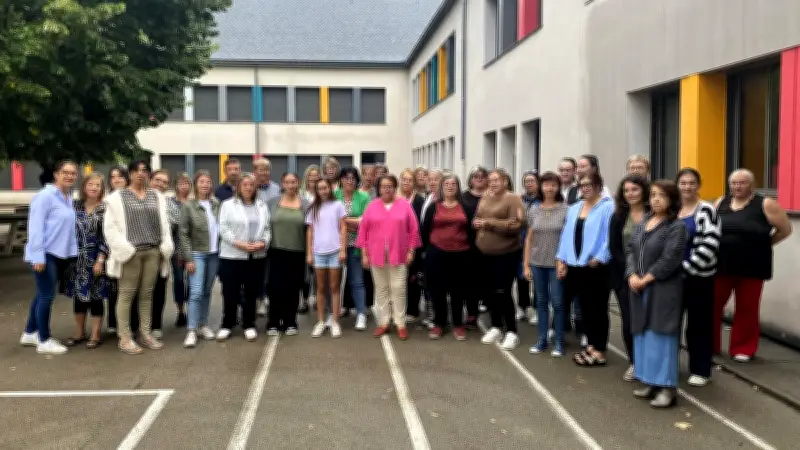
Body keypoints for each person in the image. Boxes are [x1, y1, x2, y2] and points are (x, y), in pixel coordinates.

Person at [713, 169, 792, 362]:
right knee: (712, 304)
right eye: (734, 183)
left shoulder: (765, 204)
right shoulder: (720, 202)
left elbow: (785, 229)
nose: (737, 186)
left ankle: (743, 348)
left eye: (742, 183)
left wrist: (765, 245)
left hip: (753, 265)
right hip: (721, 264)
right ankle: (710, 345)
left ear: (752, 184)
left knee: (747, 308)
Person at [103, 160, 174, 355]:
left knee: (146, 294)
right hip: (131, 253)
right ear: (130, 174)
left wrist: (164, 246)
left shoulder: (156, 196)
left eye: (144, 170)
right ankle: (125, 338)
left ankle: (145, 333)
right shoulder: (118, 197)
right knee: (126, 295)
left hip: (153, 252)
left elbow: (165, 224)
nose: (140, 174)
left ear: (148, 174)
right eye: (136, 170)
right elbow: (110, 228)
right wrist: (125, 249)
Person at [627, 180, 687, 409]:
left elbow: (670, 258)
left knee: (661, 336)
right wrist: (631, 274)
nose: (656, 199)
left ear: (672, 199)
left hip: (662, 289)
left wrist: (647, 278)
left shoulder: (676, 227)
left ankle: (667, 388)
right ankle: (651, 381)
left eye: (662, 195)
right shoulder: (644, 221)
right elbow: (631, 249)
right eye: (653, 195)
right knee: (643, 335)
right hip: (639, 287)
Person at [20, 161, 79, 355]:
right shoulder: (45, 196)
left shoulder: (67, 197)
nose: (69, 176)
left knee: (42, 294)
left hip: (59, 254)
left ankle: (30, 332)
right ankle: (44, 340)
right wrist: (38, 257)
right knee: (46, 296)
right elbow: (35, 227)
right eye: (65, 172)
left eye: (73, 173)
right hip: (45, 254)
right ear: (55, 174)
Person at [557, 171, 614, 366]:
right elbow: (566, 235)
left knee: (598, 309)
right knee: (585, 308)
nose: (586, 188)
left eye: (590, 184)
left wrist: (600, 257)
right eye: (582, 185)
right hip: (576, 266)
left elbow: (610, 237)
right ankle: (591, 345)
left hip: (596, 267)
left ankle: (599, 350)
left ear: (599, 186)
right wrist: (562, 259)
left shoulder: (608, 207)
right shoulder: (575, 208)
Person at [357, 174, 421, 340]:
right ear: (379, 188)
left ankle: (400, 323)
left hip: (399, 255)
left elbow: (413, 230)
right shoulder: (372, 206)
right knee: (381, 289)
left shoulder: (404, 205)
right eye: (383, 186)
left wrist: (411, 251)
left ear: (394, 187)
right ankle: (384, 322)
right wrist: (364, 254)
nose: (386, 189)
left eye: (389, 186)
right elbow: (363, 231)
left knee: (398, 289)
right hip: (376, 256)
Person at [677, 168, 721, 386]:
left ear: (699, 185)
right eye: (683, 183)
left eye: (691, 183)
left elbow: (710, 244)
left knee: (699, 325)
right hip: (672, 279)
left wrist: (686, 269)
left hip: (699, 279)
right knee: (671, 324)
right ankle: (669, 366)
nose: (687, 187)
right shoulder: (673, 209)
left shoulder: (706, 210)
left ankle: (701, 370)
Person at [420, 173, 474, 340]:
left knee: (458, 291)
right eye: (447, 184)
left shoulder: (465, 207)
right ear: (442, 187)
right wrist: (425, 251)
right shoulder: (433, 207)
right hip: (437, 254)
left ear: (458, 187)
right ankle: (439, 324)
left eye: (453, 184)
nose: (450, 187)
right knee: (438, 291)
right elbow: (425, 231)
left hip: (460, 254)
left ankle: (458, 324)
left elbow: (471, 232)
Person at [217, 173, 271, 341]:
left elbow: (267, 228)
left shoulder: (262, 205)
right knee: (230, 292)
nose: (248, 188)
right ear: (239, 187)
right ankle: (227, 324)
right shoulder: (227, 205)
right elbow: (223, 228)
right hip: (232, 256)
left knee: (251, 292)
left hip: (255, 256)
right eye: (245, 184)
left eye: (251, 185)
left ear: (255, 187)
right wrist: (238, 243)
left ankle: (249, 324)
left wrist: (263, 242)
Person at [477, 169, 526, 351]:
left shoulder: (513, 199)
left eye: (496, 180)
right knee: (490, 292)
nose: (493, 183)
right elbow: (480, 217)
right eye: (490, 180)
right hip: (485, 253)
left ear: (505, 181)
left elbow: (516, 225)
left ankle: (512, 331)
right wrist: (478, 222)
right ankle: (496, 326)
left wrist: (489, 223)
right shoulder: (485, 196)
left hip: (506, 254)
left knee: (502, 292)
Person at [609, 175, 650, 381]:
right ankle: (634, 362)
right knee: (629, 320)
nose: (630, 194)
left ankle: (651, 362)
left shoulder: (654, 213)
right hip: (625, 276)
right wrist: (631, 271)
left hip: (651, 276)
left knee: (650, 321)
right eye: (626, 190)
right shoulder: (618, 216)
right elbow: (614, 247)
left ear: (644, 190)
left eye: (635, 189)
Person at [523, 171, 568, 357]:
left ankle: (559, 342)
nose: (549, 188)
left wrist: (563, 261)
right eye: (546, 184)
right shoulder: (534, 210)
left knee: (557, 303)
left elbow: (567, 239)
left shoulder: (565, 209)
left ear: (558, 187)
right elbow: (529, 239)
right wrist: (526, 265)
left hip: (556, 263)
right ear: (541, 187)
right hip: (537, 262)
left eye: (553, 185)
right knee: (541, 302)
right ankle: (542, 340)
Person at [65, 172, 108, 350]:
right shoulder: (75, 206)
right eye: (90, 184)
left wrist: (100, 259)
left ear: (102, 189)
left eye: (97, 185)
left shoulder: (105, 209)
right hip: (76, 260)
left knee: (96, 296)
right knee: (79, 296)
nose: (94, 188)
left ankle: (95, 334)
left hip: (96, 258)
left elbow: (107, 237)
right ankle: (79, 332)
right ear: (84, 186)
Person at [179, 170, 221, 348]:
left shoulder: (216, 204)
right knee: (196, 292)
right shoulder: (188, 206)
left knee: (206, 291)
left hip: (214, 254)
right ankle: (191, 329)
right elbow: (183, 233)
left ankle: (203, 325)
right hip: (197, 254)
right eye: (202, 181)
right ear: (195, 184)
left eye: (208, 182)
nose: (205, 185)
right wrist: (188, 258)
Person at [266, 172, 310, 336]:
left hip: (297, 252)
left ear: (298, 183)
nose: (290, 185)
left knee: (293, 288)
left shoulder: (305, 204)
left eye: (293, 182)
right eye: (287, 182)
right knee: (274, 288)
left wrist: (309, 252)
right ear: (282, 184)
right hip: (275, 251)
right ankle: (273, 322)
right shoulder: (272, 202)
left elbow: (310, 229)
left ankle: (291, 322)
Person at [306, 179, 347, 338]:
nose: (323, 191)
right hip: (318, 253)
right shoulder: (313, 207)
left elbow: (343, 227)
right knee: (320, 288)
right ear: (316, 190)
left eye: (325, 188)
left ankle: (335, 321)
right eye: (320, 189)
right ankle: (321, 321)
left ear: (330, 188)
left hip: (335, 252)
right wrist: (309, 253)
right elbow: (310, 231)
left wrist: (343, 249)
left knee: (335, 287)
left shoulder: (338, 205)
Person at [335, 167, 372, 330]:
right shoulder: (333, 195)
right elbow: (330, 219)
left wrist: (343, 222)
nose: (349, 181)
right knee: (333, 282)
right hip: (336, 245)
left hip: (356, 245)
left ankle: (361, 314)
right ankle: (332, 313)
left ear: (357, 181)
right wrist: (353, 222)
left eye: (353, 178)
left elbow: (366, 221)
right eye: (346, 177)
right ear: (341, 179)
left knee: (357, 280)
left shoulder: (363, 197)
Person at [106, 165, 131, 334]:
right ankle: (113, 324)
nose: (116, 180)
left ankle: (130, 324)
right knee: (114, 289)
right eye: (113, 177)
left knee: (130, 290)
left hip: (131, 249)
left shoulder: (131, 197)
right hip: (111, 250)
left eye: (120, 176)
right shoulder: (107, 199)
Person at [399, 169, 426, 325]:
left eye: (409, 180)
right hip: (397, 245)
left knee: (412, 278)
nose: (406, 182)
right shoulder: (395, 199)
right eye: (404, 179)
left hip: (413, 245)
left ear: (414, 182)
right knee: (398, 279)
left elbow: (420, 225)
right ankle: (399, 308)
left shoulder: (420, 201)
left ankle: (412, 310)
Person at [462, 165, 489, 322]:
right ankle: (471, 312)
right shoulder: (464, 197)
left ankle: (490, 308)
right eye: (476, 176)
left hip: (490, 243)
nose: (479, 179)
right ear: (471, 179)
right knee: (470, 280)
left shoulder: (492, 196)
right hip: (469, 244)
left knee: (487, 279)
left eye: (482, 176)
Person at [149, 169, 172, 338]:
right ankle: (137, 326)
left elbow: (177, 222)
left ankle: (156, 325)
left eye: (164, 182)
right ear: (150, 180)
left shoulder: (168, 203)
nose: (160, 184)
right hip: (140, 252)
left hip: (161, 253)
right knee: (138, 292)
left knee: (158, 290)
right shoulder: (140, 198)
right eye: (157, 180)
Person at [170, 172, 192, 327]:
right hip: (176, 249)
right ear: (176, 185)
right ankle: (180, 311)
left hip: (192, 249)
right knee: (178, 280)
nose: (184, 186)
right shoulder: (170, 203)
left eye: (187, 183)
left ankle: (192, 310)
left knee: (192, 282)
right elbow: (172, 226)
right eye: (181, 183)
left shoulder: (194, 202)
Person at [517, 170, 539, 324]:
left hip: (537, 243)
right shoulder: (520, 200)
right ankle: (522, 307)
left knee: (537, 277)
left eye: (532, 181)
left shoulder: (542, 200)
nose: (529, 184)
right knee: (521, 277)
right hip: (521, 242)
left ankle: (537, 309)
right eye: (526, 181)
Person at [300, 165, 321, 313]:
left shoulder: (323, 193)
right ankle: (304, 300)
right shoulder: (300, 194)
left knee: (318, 271)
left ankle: (317, 298)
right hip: (303, 234)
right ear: (306, 177)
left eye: (316, 175)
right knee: (305, 272)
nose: (313, 178)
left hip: (319, 236)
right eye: (311, 175)